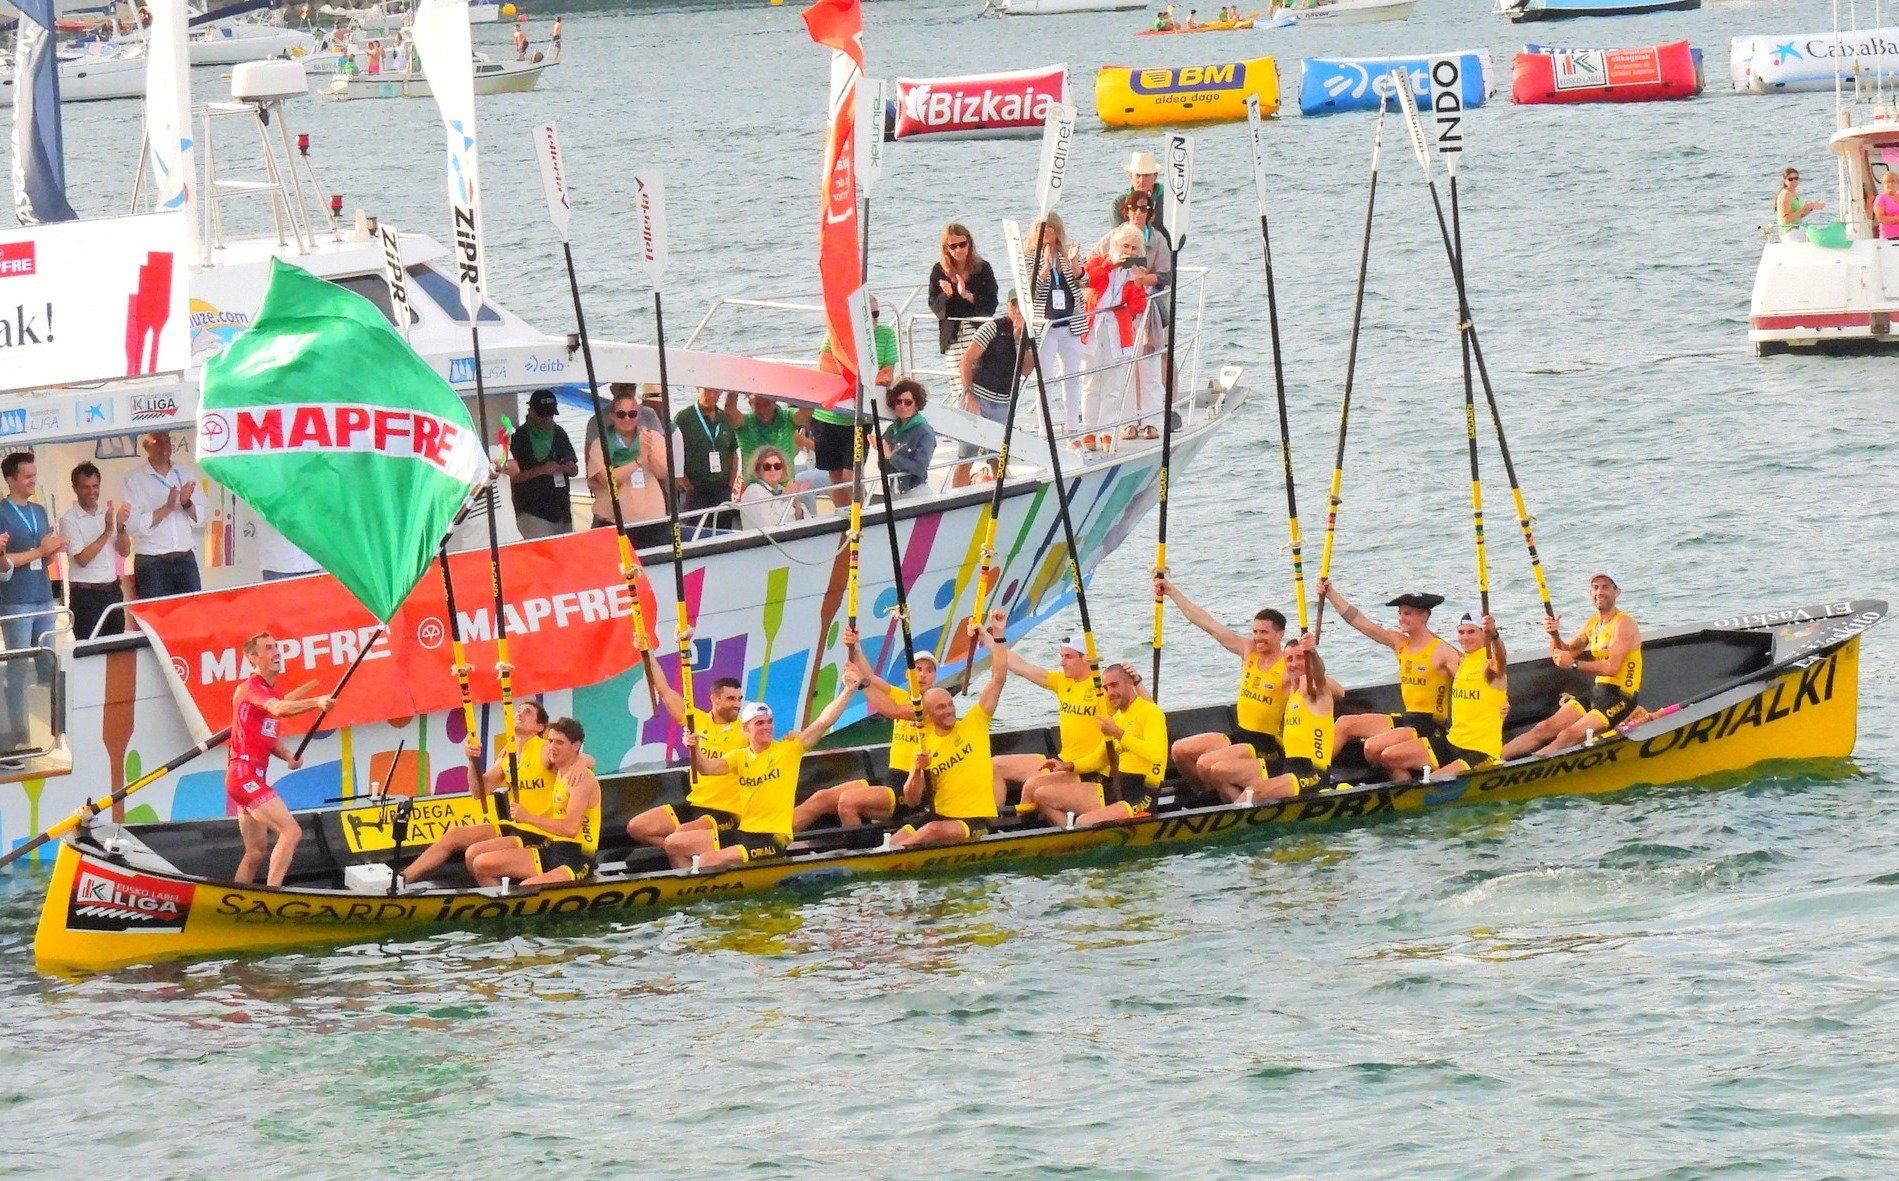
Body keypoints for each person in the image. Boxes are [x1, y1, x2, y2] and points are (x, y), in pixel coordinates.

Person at [666, 671, 863, 869]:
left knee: (707, 860)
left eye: (769, 721)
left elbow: (823, 722)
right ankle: (695, 884)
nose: (767, 727)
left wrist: (848, 690)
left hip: (772, 838)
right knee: (673, 843)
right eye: (759, 723)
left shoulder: (788, 750)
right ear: (746, 729)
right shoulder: (739, 756)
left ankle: (710, 884)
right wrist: (694, 748)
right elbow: (706, 769)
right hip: (745, 832)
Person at [794, 623, 947, 831]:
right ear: (907, 674)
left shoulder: (932, 706)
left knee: (848, 801)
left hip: (912, 790)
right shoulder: (902, 696)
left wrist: (860, 684)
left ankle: (859, 848)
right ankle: (775, 838)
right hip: (889, 779)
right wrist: (856, 647)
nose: (922, 675)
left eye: (929, 671)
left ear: (935, 677)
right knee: (821, 798)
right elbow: (871, 679)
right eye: (918, 669)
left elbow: (891, 710)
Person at [1153, 573, 1290, 798]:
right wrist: (1171, 591)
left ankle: (1232, 803)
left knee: (1206, 763)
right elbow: (1208, 624)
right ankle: (1204, 796)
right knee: (1180, 750)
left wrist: (1309, 653)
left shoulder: (1288, 666)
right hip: (1241, 735)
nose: (1258, 637)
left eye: (1264, 632)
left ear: (1280, 634)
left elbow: (1320, 683)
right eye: (1255, 632)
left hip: (1267, 746)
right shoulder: (1249, 651)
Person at [398, 701, 560, 884]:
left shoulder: (545, 748)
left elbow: (577, 759)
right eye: (519, 710)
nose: (519, 714)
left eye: (528, 712)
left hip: (540, 831)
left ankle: (497, 894)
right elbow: (478, 791)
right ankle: (402, 879)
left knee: (473, 854)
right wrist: (472, 760)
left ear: (540, 726)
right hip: (515, 826)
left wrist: (579, 766)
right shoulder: (507, 754)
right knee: (455, 834)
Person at [1316, 581, 1459, 781]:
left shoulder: (1442, 651)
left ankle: (1404, 782)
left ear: (1424, 616)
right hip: (1408, 718)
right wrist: (1331, 594)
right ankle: (1315, 774)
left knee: (1372, 747)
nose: (1401, 618)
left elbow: (1470, 680)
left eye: (1407, 613)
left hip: (1430, 725)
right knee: (1344, 723)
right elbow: (1359, 622)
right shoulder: (1399, 642)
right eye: (1400, 613)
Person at [889, 619, 1011, 848]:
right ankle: (893, 854)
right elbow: (912, 800)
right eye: (940, 708)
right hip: (939, 816)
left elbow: (999, 677)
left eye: (950, 705)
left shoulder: (975, 722)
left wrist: (998, 634)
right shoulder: (924, 745)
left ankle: (897, 857)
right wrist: (917, 770)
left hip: (976, 819)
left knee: (931, 831)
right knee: (896, 840)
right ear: (928, 715)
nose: (949, 711)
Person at [227, 632, 335, 886]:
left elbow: (267, 737)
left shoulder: (270, 691)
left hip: (248, 776)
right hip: (244, 776)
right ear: (253, 658)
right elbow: (278, 708)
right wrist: (316, 702)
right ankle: (272, 895)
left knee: (255, 852)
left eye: (276, 647)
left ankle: (235, 899)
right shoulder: (253, 688)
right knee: (291, 831)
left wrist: (288, 755)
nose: (276, 652)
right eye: (268, 648)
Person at [1502, 574, 1642, 759]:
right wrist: (1554, 634)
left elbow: (1611, 667)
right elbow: (1563, 653)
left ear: (1617, 592)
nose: (1599, 592)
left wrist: (1574, 664)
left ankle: (1523, 768)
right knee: (1544, 728)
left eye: (1605, 587)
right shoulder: (1592, 624)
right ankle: (1493, 761)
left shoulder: (1623, 623)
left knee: (1567, 735)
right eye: (1595, 587)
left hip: (1621, 697)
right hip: (1598, 692)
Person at [1018, 661, 1168, 827]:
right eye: (1106, 688)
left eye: (1114, 685)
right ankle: (1069, 836)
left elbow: (1155, 753)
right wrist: (1068, 766)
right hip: (1118, 787)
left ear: (1130, 683)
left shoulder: (1151, 712)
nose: (1110, 693)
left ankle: (1080, 833)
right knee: (1041, 795)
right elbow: (1099, 758)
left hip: (1141, 795)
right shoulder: (1117, 718)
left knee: (1083, 822)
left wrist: (1118, 733)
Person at [625, 651, 748, 848]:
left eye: (739, 699)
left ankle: (681, 849)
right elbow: (664, 691)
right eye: (731, 699)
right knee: (637, 827)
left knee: (680, 835)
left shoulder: (745, 731)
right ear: (715, 699)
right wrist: (647, 653)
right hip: (695, 804)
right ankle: (681, 851)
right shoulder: (696, 720)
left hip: (725, 812)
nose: (737, 704)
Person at [464, 717, 601, 886]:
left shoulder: (580, 779)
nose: (552, 747)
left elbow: (570, 828)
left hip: (578, 857)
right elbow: (478, 791)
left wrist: (528, 817)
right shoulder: (560, 771)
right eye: (550, 741)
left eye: (559, 743)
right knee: (481, 864)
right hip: (555, 848)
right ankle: (503, 901)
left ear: (576, 746)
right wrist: (473, 759)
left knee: (526, 887)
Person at [1203, 638, 1335, 802]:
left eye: (1300, 657)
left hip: (1313, 773)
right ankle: (1243, 810)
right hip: (1287, 765)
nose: (1294, 663)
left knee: (1253, 792)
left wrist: (1312, 653)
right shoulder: (1289, 694)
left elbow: (1319, 675)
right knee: (1218, 772)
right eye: (1289, 659)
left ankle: (1239, 812)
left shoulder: (1316, 694)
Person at [1378, 613, 1509, 779]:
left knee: (1433, 783)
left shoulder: (1490, 666)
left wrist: (1494, 635)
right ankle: (1406, 788)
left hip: (1479, 751)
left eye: (1471, 632)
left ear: (1485, 634)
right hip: (1452, 741)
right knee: (1389, 756)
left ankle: (1427, 785)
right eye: (1461, 632)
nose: (1465, 637)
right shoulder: (1463, 661)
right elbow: (1437, 641)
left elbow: (1501, 659)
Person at [990, 632, 1114, 797]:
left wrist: (1135, 680)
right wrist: (987, 638)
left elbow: (1138, 705)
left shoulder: (1103, 686)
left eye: (1068, 657)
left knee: (1032, 786)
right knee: (995, 765)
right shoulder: (1062, 681)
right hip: (1063, 759)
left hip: (1090, 769)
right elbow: (1021, 666)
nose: (1062, 662)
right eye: (1061, 656)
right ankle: (993, 814)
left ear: (1085, 658)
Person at [2, 454, 67, 752]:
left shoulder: (39, 511)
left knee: (48, 666)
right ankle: (20, 735)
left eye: (34, 475)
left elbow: (44, 557)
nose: (33, 481)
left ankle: (53, 732)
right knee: (17, 669)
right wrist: (40, 551)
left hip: (43, 596)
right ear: (11, 480)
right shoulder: (2, 513)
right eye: (27, 476)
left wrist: (52, 550)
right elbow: (3, 562)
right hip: (16, 601)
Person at [1079, 225, 1152, 450]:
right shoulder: (1099, 262)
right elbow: (1090, 279)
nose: (1128, 251)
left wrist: (1138, 281)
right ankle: (1088, 431)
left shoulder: (1133, 273)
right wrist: (1112, 264)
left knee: (1112, 385)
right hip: (1093, 327)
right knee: (1091, 381)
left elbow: (1138, 306)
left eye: (1133, 248)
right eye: (1125, 246)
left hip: (1117, 331)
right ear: (1115, 245)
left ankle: (1107, 432)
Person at [955, 292, 1033, 481]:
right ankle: (959, 494)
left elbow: (1026, 370)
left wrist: (1018, 340)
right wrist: (969, 394)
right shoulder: (992, 328)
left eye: (1021, 306)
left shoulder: (1028, 334)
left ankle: (1001, 493)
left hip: (1003, 404)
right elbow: (966, 360)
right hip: (978, 398)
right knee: (966, 458)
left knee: (998, 459)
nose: (1017, 310)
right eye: (1013, 305)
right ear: (1007, 306)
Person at [585, 387, 670, 548]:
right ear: (612, 416)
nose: (627, 418)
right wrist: (638, 461)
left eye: (632, 414)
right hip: (614, 524)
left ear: (638, 415)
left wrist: (649, 453)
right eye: (621, 414)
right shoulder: (600, 444)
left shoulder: (652, 438)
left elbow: (663, 472)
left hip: (653, 525)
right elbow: (608, 480)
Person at [123, 431, 203, 598]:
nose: (164, 447)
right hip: (152, 562)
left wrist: (186, 503)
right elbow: (132, 526)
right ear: (146, 446)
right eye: (157, 442)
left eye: (167, 441)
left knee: (192, 611)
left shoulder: (185, 472)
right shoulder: (134, 479)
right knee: (156, 613)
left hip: (185, 559)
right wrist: (166, 508)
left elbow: (202, 516)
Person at [1029, 214, 1088, 440]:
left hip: (1069, 324)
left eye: (1050, 228)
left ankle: (1073, 427)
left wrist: (1073, 263)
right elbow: (1029, 292)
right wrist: (1044, 270)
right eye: (1041, 228)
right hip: (1045, 327)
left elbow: (1084, 282)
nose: (1046, 232)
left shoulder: (1066, 254)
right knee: (1045, 380)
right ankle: (1045, 430)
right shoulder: (1029, 258)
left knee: (1072, 376)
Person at [59, 462, 130, 641]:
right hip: (85, 595)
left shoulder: (107, 513)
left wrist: (121, 528)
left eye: (95, 486)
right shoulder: (69, 519)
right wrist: (107, 532)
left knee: (116, 648)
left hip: (112, 591)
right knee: (89, 649)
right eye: (86, 487)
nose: (92, 491)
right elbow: (82, 559)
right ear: (75, 488)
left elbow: (125, 552)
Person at [508, 389, 579, 538]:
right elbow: (512, 478)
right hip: (533, 512)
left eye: (550, 415)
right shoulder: (519, 437)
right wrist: (541, 470)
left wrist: (569, 467)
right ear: (531, 411)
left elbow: (574, 469)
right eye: (542, 414)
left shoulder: (559, 433)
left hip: (562, 511)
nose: (546, 419)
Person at [928, 223, 999, 360]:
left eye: (962, 244)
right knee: (957, 372)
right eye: (953, 246)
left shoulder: (983, 268)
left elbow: (991, 304)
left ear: (969, 243)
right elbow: (934, 306)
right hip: (952, 335)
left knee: (980, 372)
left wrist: (967, 295)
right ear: (946, 248)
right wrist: (946, 295)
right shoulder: (939, 270)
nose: (958, 249)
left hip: (979, 331)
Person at [673, 386, 739, 529]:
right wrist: (685, 484)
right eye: (707, 390)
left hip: (721, 489)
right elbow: (673, 452)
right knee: (695, 533)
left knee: (723, 532)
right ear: (698, 389)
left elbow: (732, 452)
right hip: (694, 490)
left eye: (715, 391)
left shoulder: (724, 418)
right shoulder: (684, 418)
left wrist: (730, 485)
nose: (711, 395)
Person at [724, 391, 809, 478]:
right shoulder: (745, 423)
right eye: (758, 405)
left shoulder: (788, 417)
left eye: (767, 404)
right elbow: (729, 412)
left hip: (786, 484)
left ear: (774, 402)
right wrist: (734, 390)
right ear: (750, 404)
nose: (763, 410)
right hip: (755, 484)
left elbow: (806, 413)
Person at [880, 379, 937, 496]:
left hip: (915, 492)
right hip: (894, 491)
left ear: (917, 405)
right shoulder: (891, 430)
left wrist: (891, 457)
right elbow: (884, 467)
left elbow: (920, 468)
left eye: (908, 402)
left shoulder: (925, 432)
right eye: (898, 401)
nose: (902, 406)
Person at [735, 446, 806, 531]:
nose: (773, 470)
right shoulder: (753, 491)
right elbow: (768, 525)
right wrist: (788, 499)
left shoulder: (781, 489)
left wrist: (795, 500)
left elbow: (802, 521)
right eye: (767, 467)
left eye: (777, 466)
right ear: (758, 470)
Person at [1776, 167, 1824, 240]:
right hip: (1789, 232)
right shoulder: (1786, 194)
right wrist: (1803, 209)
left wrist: (1810, 208)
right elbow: (1785, 218)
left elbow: (1800, 215)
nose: (1794, 181)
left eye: (1796, 178)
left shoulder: (1793, 192)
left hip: (1796, 229)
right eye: (1790, 179)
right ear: (1784, 180)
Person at [1124, 151, 1166, 232]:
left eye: (1146, 175)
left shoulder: (1169, 201)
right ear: (1130, 176)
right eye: (1138, 175)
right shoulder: (1120, 203)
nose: (1142, 180)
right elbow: (1117, 236)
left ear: (1155, 176)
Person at [1874, 170, 1899, 240]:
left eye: (1893, 182)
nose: (1890, 184)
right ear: (1883, 184)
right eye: (1887, 182)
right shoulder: (1880, 198)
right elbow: (1881, 218)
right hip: (1888, 237)